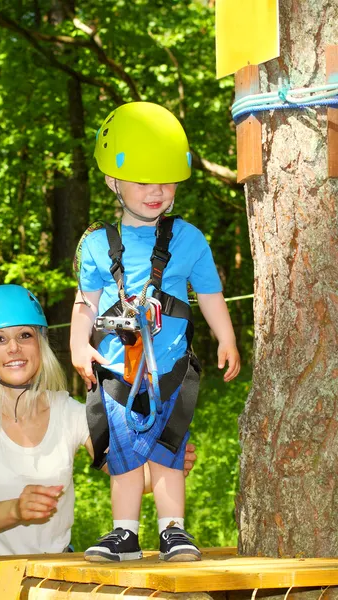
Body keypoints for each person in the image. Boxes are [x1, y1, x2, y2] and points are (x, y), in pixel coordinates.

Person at [70, 102, 240, 563]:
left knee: (169, 448)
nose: (156, 192)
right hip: (117, 370)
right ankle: (123, 533)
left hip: (169, 369)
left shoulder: (188, 239)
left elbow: (208, 292)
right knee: (123, 452)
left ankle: (173, 530)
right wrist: (77, 345)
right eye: (143, 181)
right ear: (113, 182)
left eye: (165, 181)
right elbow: (84, 302)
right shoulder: (95, 245)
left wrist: (226, 337)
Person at [0, 283, 197, 556]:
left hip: (56, 567)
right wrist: (15, 509)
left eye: (24, 335)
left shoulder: (67, 411)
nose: (14, 348)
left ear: (40, 343)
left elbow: (126, 474)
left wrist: (165, 465)